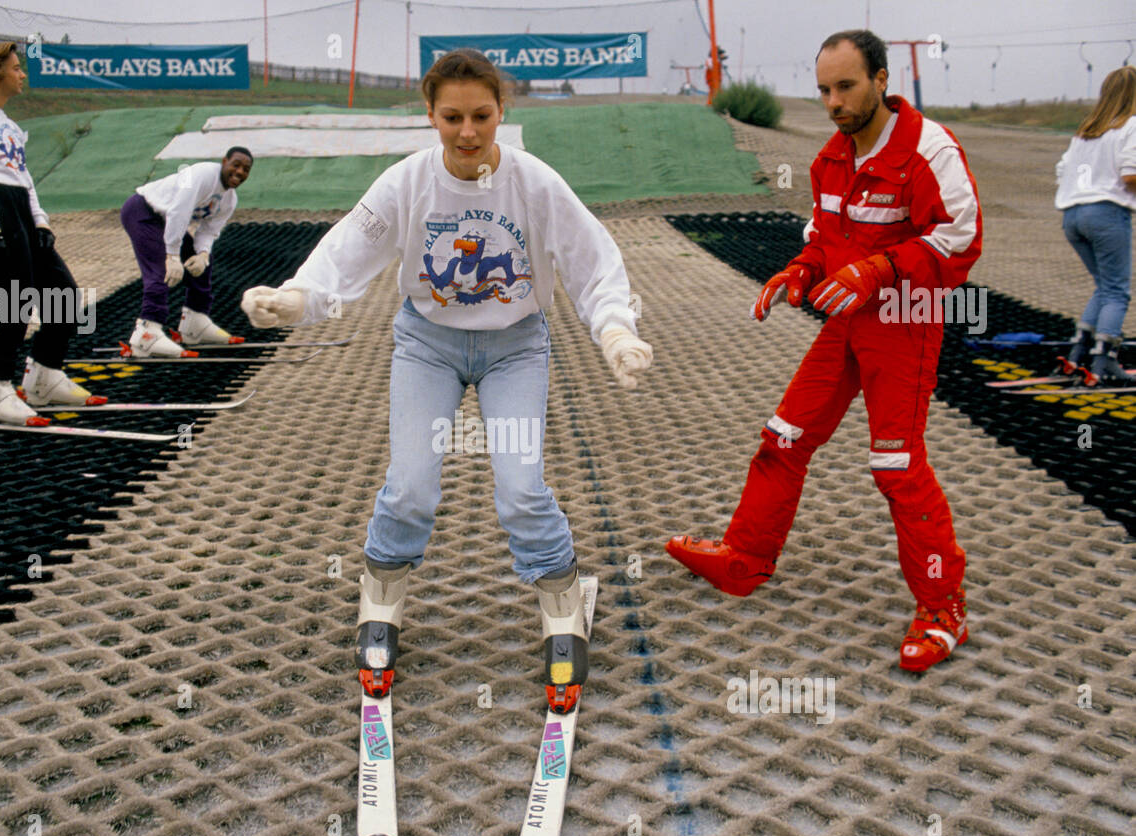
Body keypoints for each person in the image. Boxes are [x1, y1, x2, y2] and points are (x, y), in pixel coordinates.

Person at [241, 49, 652, 713]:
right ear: (429, 113)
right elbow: (349, 249)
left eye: (481, 115)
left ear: (501, 112)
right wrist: (300, 298)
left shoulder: (535, 183)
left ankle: (561, 603)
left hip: (515, 346)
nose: (468, 131)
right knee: (410, 486)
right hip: (427, 345)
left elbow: (591, 258)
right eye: (452, 116)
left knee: (520, 488)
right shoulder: (407, 184)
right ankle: (379, 604)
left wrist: (614, 329)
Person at [667, 29, 983, 673]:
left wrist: (877, 271)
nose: (833, 101)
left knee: (895, 464)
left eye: (846, 86)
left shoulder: (929, 148)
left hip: (903, 320)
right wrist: (797, 274)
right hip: (844, 325)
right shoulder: (829, 159)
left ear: (881, 80)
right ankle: (746, 556)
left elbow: (961, 237)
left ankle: (944, 607)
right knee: (783, 436)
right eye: (824, 90)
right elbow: (823, 242)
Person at [0, 41, 101, 425]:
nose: (22, 75)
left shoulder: (10, 124)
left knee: (63, 294)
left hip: (20, 208)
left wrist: (41, 220)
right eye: (16, 68)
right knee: (14, 301)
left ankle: (44, 377)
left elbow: (23, 177)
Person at [120, 147, 253, 356]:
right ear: (224, 161)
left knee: (201, 265)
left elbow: (209, 231)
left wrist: (202, 255)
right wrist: (172, 255)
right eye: (236, 165)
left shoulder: (229, 200)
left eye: (246, 169)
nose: (239, 172)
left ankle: (195, 322)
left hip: (165, 220)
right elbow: (178, 211)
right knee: (160, 270)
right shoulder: (202, 175)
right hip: (142, 211)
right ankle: (146, 333)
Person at [1054, 65, 1136, 384]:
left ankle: (1078, 354)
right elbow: (1130, 174)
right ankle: (1104, 363)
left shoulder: (1085, 132)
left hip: (1073, 215)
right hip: (1105, 214)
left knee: (1104, 286)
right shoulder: (1130, 126)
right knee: (1117, 291)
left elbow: (1062, 172)